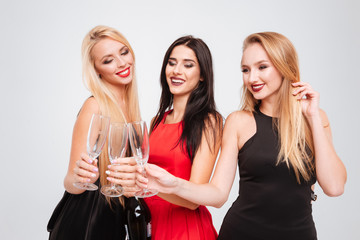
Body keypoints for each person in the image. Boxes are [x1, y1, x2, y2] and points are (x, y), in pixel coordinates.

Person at [136, 32, 347, 240]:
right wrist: (171, 184)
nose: (252, 78)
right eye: (245, 70)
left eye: (262, 67)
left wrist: (313, 118)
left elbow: (334, 187)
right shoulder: (239, 121)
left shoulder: (315, 118)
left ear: (286, 67)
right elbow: (218, 195)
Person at [110, 35, 223, 239]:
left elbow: (193, 200)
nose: (176, 70)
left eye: (188, 65)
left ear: (203, 75)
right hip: (150, 226)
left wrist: (145, 185)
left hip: (185, 229)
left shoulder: (210, 121)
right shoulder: (156, 121)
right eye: (172, 63)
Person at [47, 25, 140, 240]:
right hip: (86, 221)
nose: (122, 63)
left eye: (123, 52)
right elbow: (70, 181)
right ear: (97, 69)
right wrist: (80, 177)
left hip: (114, 219)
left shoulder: (131, 106)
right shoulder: (94, 106)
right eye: (108, 60)